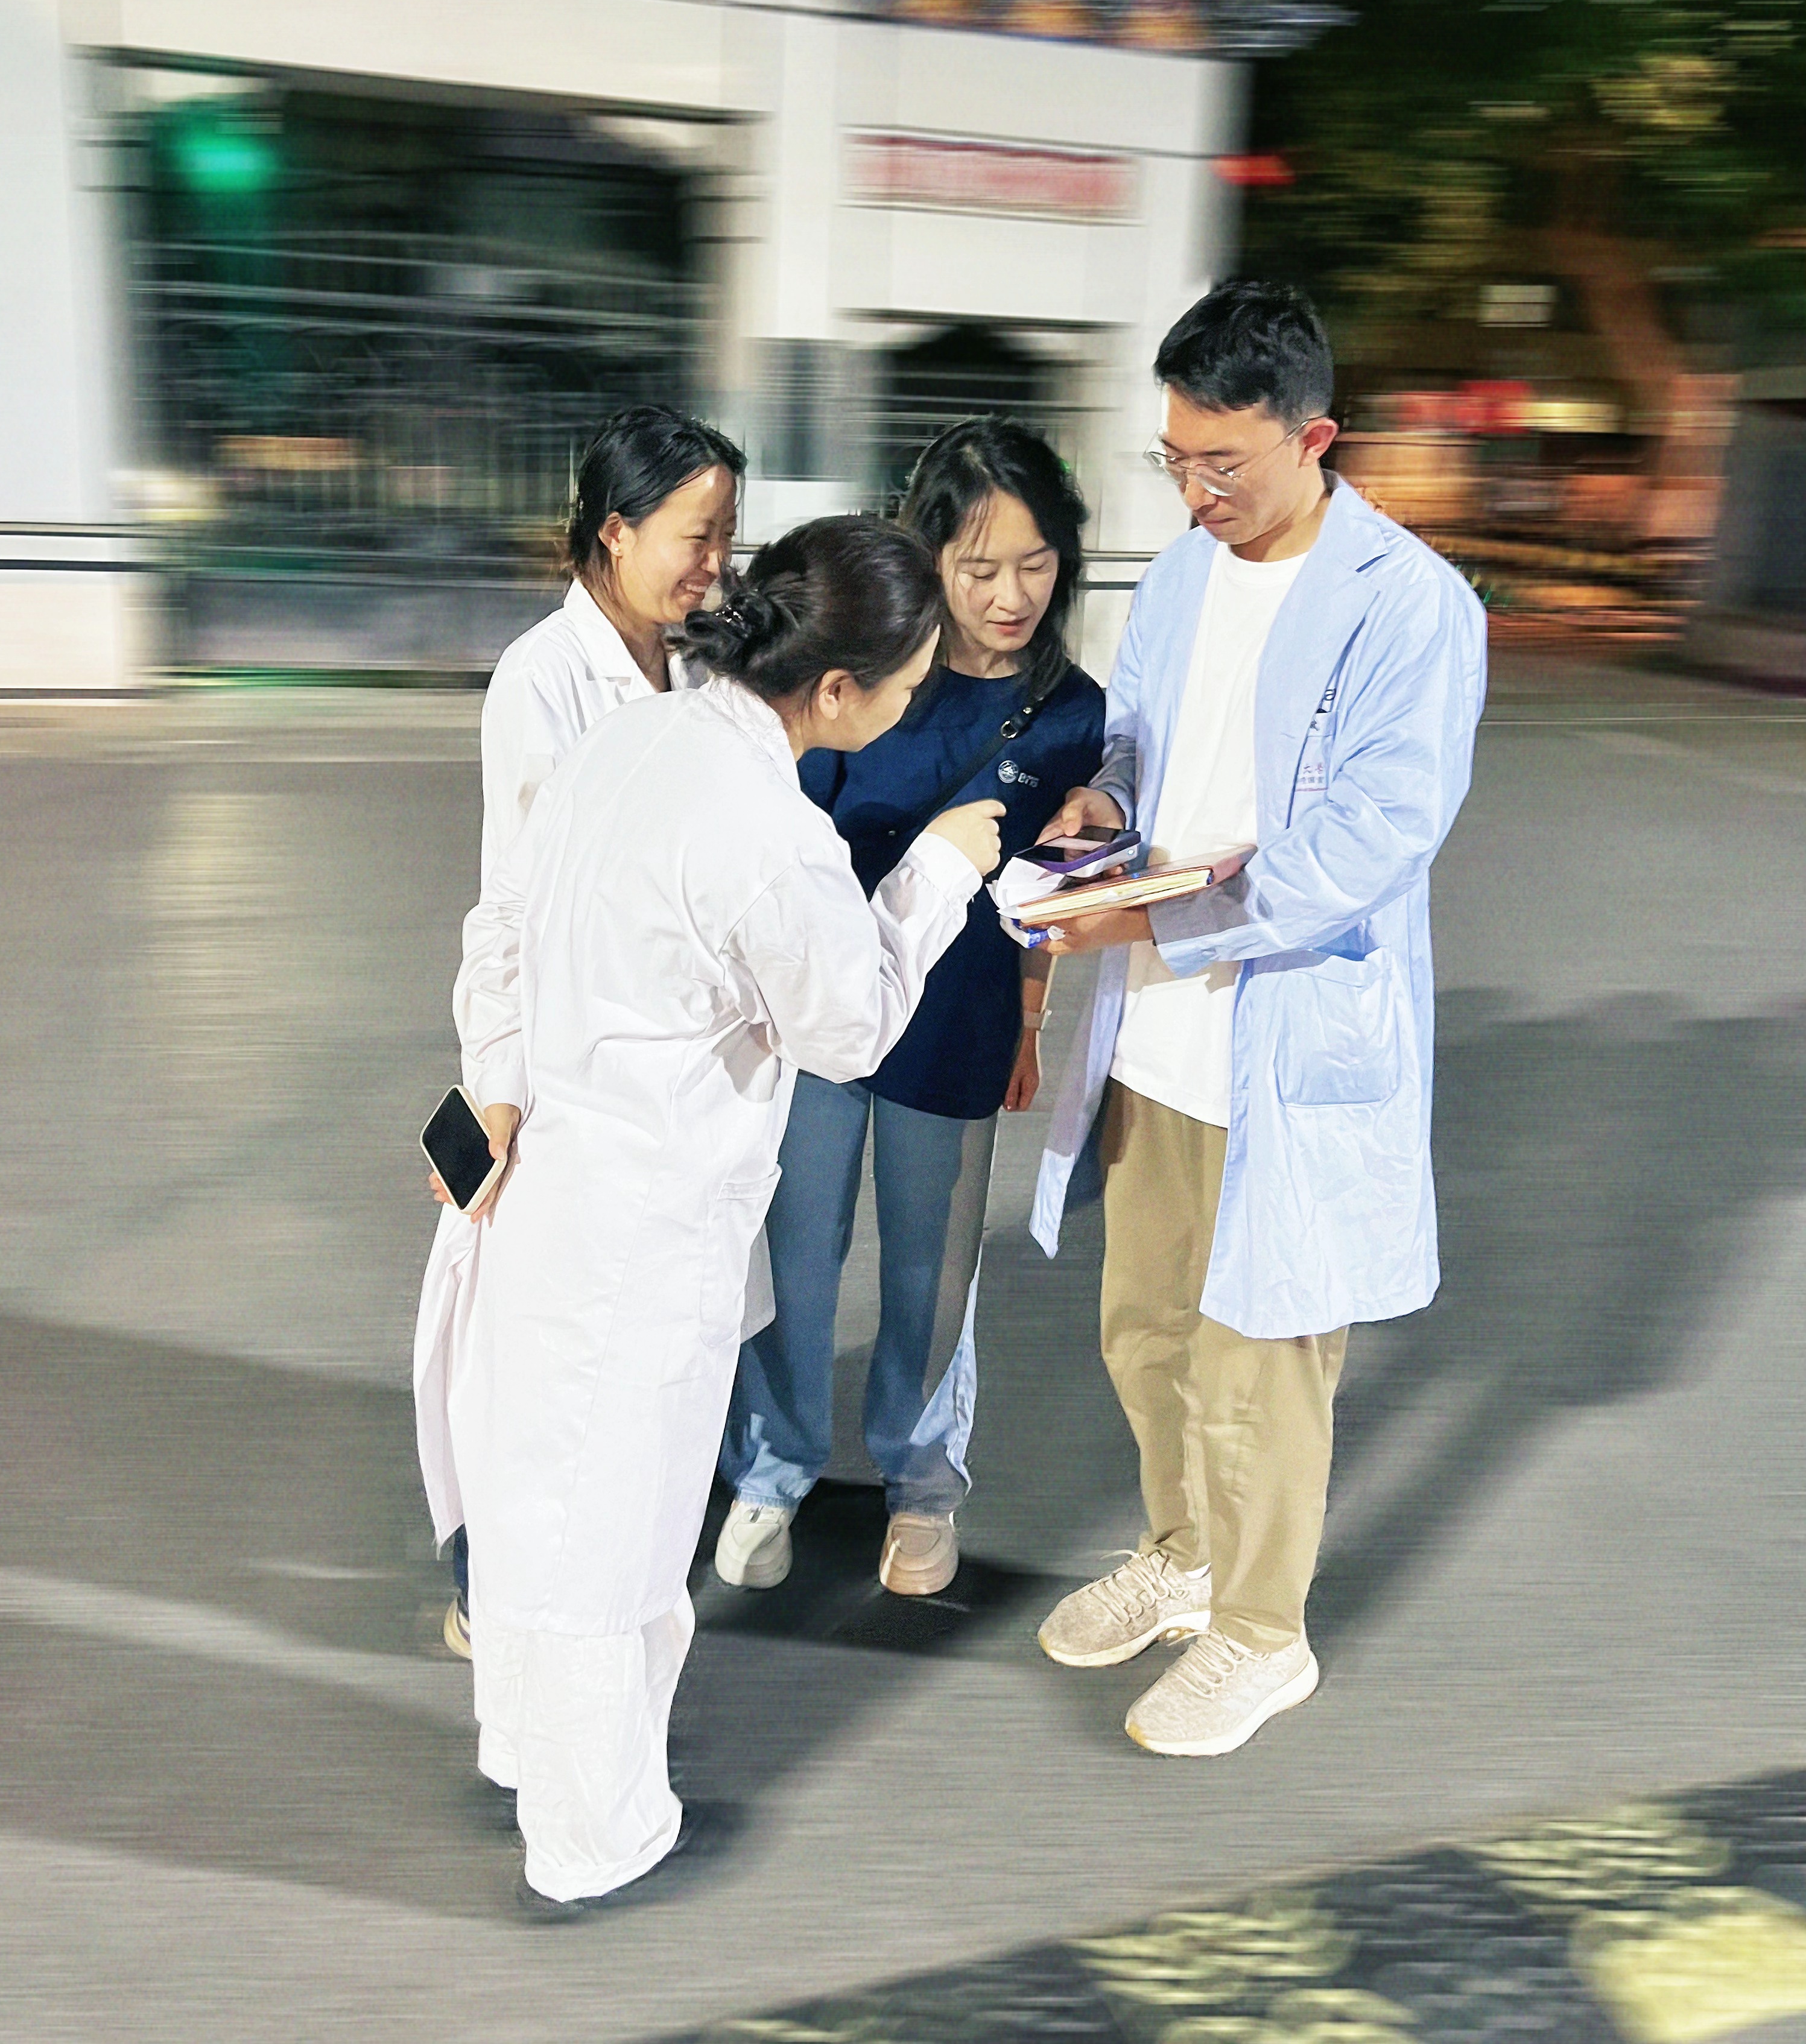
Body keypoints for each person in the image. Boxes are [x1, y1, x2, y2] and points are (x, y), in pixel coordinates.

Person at [445, 516, 1006, 1910]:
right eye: (908, 684)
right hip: (646, 1224)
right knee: (617, 1525)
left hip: (551, 1187)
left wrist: (492, 1084)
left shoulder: (629, 741)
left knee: (541, 1494)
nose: (913, 705)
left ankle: (532, 1753)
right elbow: (851, 1025)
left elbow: (501, 920)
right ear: (837, 690)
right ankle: (593, 1832)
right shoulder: (768, 831)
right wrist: (940, 870)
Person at [1027, 280, 1487, 1758]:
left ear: (1314, 439)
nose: (1195, 492)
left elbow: (1375, 837)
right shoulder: (1178, 576)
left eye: (1222, 463)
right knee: (1145, 1328)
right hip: (1159, 1034)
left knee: (1262, 1354)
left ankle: (1262, 1631)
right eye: (1175, 459)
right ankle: (1184, 1554)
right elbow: (1134, 741)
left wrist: (1157, 920)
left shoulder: (1408, 602)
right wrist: (1101, 809)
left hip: (1284, 1034)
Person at [717, 417, 1105, 1598]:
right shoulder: (864, 673)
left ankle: (923, 1483)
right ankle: (773, 1467)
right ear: (928, 557)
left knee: (932, 1277)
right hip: (822, 1019)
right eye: (979, 567)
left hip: (960, 1024)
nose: (1009, 595)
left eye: (1034, 564)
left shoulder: (1072, 711)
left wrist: (1030, 1021)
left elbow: (1048, 890)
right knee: (796, 1250)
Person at [413, 404, 743, 1660]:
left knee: (635, 1348)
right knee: (531, 1349)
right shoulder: (541, 680)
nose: (715, 561)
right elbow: (507, 907)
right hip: (568, 1070)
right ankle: (498, 1583)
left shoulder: (698, 667)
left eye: (726, 535)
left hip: (671, 1069)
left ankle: (608, 1581)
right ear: (615, 530)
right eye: (695, 535)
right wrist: (494, 1087)